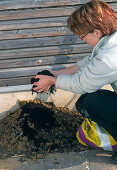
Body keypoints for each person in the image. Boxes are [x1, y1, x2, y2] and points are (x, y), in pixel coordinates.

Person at [33, 0, 117, 163]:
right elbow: (89, 62)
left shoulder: (110, 57)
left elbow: (82, 84)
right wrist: (56, 73)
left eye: (82, 36)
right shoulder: (110, 42)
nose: (81, 40)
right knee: (88, 100)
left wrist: (52, 81)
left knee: (92, 101)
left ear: (97, 32)